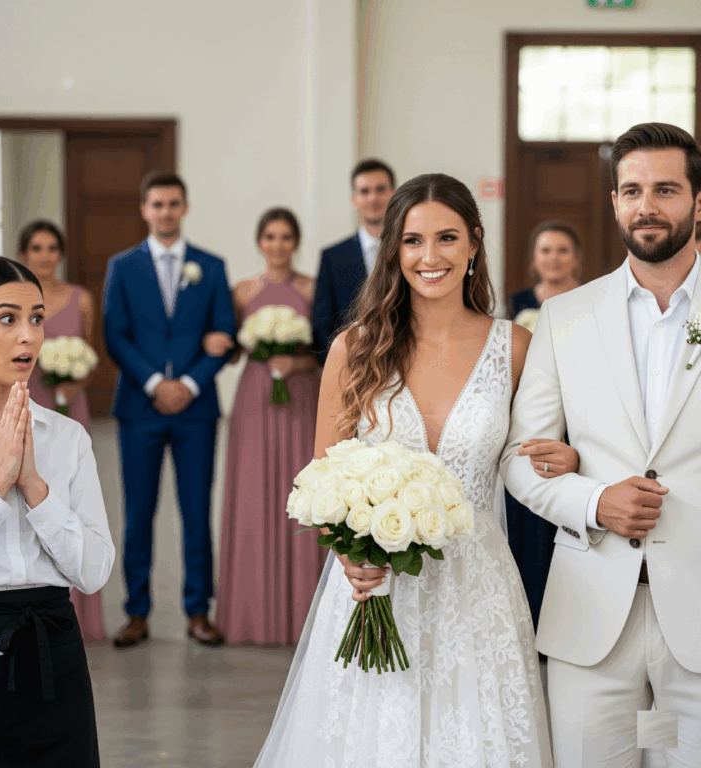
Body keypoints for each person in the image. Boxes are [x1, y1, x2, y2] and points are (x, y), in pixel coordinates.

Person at [254, 174, 581, 767]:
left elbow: (538, 453)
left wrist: (571, 457)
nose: (430, 256)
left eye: (447, 238)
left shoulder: (516, 347)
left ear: (474, 243)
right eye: (412, 240)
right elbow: (320, 479)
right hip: (376, 584)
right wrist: (347, 552)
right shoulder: (354, 348)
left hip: (477, 585)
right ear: (394, 251)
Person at [501, 122, 701, 768]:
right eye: (633, 191)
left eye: (666, 189)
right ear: (614, 202)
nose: (647, 206)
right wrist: (594, 501)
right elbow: (518, 461)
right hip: (592, 617)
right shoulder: (566, 318)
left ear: (698, 201)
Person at [0, 256, 114, 767]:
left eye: (37, 318)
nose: (29, 336)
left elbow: (94, 572)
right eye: (7, 318)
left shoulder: (67, 437)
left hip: (57, 661)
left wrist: (34, 487)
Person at [103, 170, 236, 648]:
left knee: (196, 512)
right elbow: (115, 334)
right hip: (139, 406)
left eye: (173, 203)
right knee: (138, 512)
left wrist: (190, 384)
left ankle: (198, 611)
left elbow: (224, 333)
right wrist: (157, 383)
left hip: (196, 411)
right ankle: (136, 612)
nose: (165, 211)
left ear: (185, 208)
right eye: (157, 204)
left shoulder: (211, 267)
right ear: (145, 209)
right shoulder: (122, 266)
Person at [216, 208, 323, 645]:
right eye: (270, 237)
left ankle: (303, 614)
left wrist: (297, 363)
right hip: (256, 398)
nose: (278, 245)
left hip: (301, 395)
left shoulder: (312, 288)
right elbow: (232, 351)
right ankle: (252, 615)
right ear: (260, 242)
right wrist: (218, 342)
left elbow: (327, 349)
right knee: (254, 493)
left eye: (285, 237)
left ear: (296, 242)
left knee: (303, 492)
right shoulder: (242, 291)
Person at [18, 219, 106, 642]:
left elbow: (90, 356)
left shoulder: (81, 298)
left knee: (73, 497)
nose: (45, 256)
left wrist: (76, 380)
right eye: (37, 248)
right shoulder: (17, 299)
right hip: (29, 400)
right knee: (31, 496)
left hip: (71, 405)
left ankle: (81, 615)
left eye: (52, 248)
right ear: (24, 254)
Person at [506, 220, 582, 630]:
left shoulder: (588, 301)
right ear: (534, 258)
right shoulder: (517, 302)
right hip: (528, 417)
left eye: (562, 250)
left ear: (576, 258)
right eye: (546, 250)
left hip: (576, 416)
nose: (553, 258)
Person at [312, 158, 395, 363]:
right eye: (364, 191)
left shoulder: (413, 249)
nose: (373, 198)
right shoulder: (332, 257)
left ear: (394, 194)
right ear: (354, 199)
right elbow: (323, 326)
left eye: (380, 189)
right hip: (351, 367)